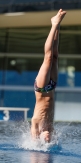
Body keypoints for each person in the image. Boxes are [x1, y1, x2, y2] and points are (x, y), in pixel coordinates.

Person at [31, 9, 66, 142]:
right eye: (49, 139)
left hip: (41, 88)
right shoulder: (50, 128)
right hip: (51, 87)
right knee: (55, 57)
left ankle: (53, 24)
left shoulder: (36, 127)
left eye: (45, 138)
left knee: (48, 58)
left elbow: (33, 145)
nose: (48, 138)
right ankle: (58, 25)